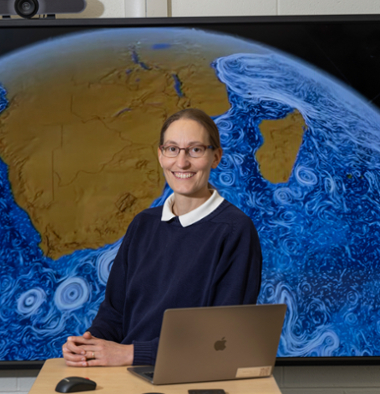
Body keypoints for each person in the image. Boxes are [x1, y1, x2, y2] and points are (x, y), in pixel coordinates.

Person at [62, 108, 262, 367]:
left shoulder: (235, 231)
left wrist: (129, 354)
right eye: (172, 149)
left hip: (190, 376)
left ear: (215, 157)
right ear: (160, 155)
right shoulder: (142, 224)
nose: (182, 163)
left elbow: (222, 338)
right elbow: (114, 313)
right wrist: (89, 345)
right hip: (125, 373)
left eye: (195, 150)